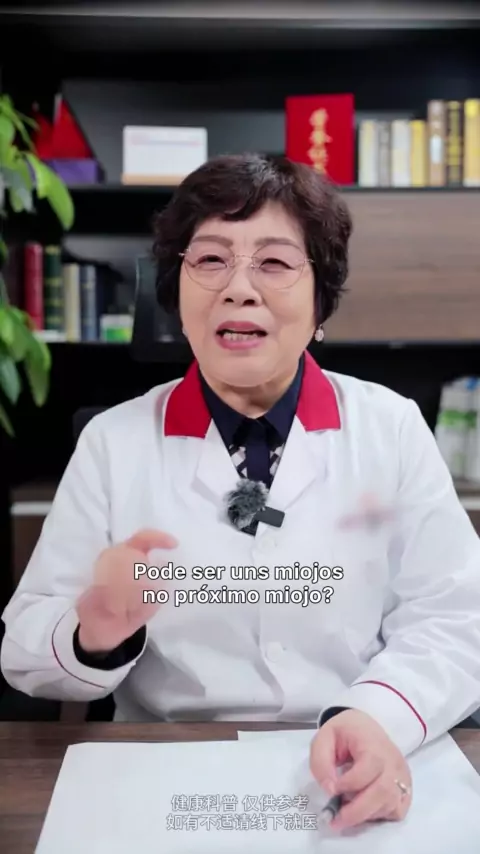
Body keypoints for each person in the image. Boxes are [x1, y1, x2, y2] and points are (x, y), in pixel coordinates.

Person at [2, 153, 480, 832]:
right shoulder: (115, 441)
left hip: (353, 753)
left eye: (275, 263)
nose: (239, 289)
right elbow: (25, 652)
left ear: (321, 301)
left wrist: (378, 716)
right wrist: (92, 633)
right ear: (178, 296)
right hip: (166, 768)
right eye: (210, 260)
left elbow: (456, 616)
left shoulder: (391, 427)